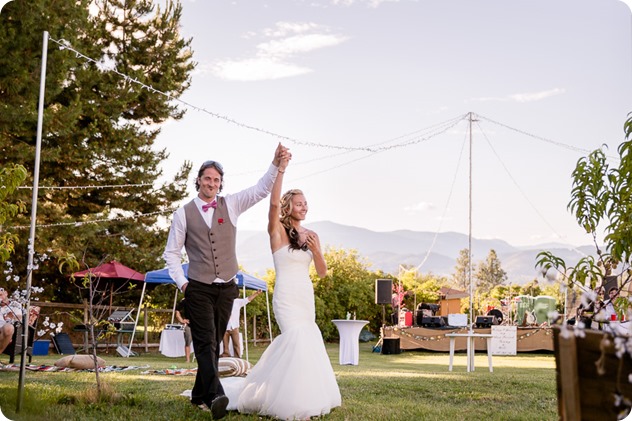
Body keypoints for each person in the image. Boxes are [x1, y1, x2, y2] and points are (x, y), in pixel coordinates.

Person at [163, 143, 291, 419]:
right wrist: (183, 284)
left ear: (220, 184)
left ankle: (199, 394)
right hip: (197, 287)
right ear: (198, 180)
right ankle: (216, 395)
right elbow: (171, 255)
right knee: (205, 341)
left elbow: (260, 189)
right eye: (207, 178)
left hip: (227, 287)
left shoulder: (231, 204)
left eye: (216, 180)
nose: (211, 183)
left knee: (215, 343)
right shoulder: (182, 214)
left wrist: (275, 164)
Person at [237, 156, 341, 419]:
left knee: (307, 341)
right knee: (295, 339)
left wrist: (317, 251)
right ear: (288, 206)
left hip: (305, 295)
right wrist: (280, 170)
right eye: (298, 203)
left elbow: (322, 272)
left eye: (305, 203)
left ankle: (305, 398)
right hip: (286, 297)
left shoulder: (311, 234)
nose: (303, 207)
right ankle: (289, 402)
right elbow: (272, 203)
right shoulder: (278, 232)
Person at [220, 290, 262, 358]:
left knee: (236, 344)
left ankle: (237, 357)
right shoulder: (223, 302)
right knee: (225, 345)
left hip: (234, 326)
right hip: (224, 326)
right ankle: (226, 353)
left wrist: (256, 293)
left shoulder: (237, 302)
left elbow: (248, 299)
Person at [0, 287, 21, 354]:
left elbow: (19, 318)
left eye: (0, 295)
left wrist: (11, 317)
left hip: (7, 329)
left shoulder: (15, 305)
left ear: (6, 293)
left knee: (8, 328)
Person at [175, 298, 192, 363]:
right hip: (188, 324)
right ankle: (188, 359)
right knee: (188, 342)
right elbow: (177, 311)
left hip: (199, 324)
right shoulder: (185, 300)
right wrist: (181, 320)